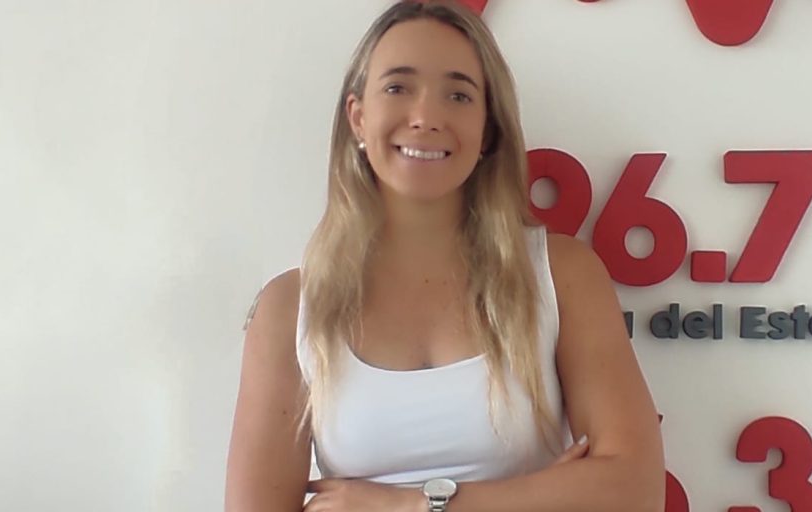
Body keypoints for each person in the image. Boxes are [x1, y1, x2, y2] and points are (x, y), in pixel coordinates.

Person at [223, 1, 665, 511]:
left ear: (487, 131)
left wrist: (413, 505)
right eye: (398, 88)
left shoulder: (559, 275)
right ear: (358, 118)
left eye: (458, 95)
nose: (426, 117)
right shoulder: (290, 308)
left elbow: (636, 490)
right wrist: (543, 495)